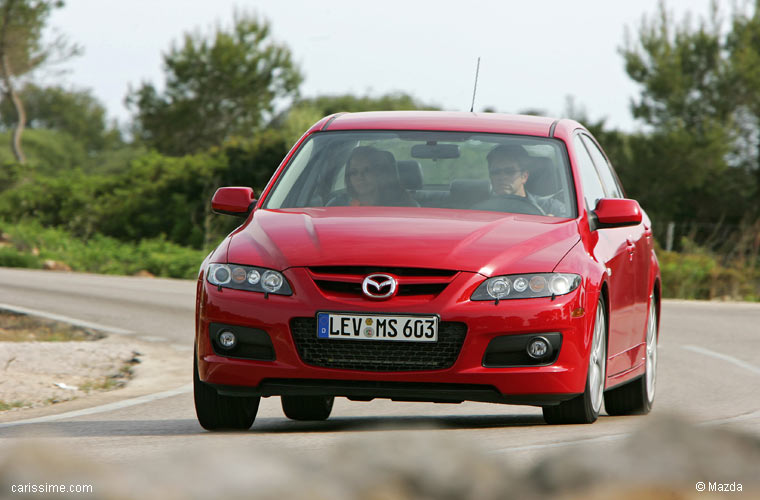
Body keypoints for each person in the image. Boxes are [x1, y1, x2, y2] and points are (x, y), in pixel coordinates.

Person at [472, 144, 564, 216]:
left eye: (509, 171)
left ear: (524, 176)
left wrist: (552, 224)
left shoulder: (551, 208)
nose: (502, 176)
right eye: (496, 172)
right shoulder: (476, 212)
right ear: (490, 176)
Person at [327, 146, 417, 207]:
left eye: (367, 170)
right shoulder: (338, 205)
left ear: (380, 173)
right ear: (348, 178)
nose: (360, 176)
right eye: (354, 172)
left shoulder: (404, 204)